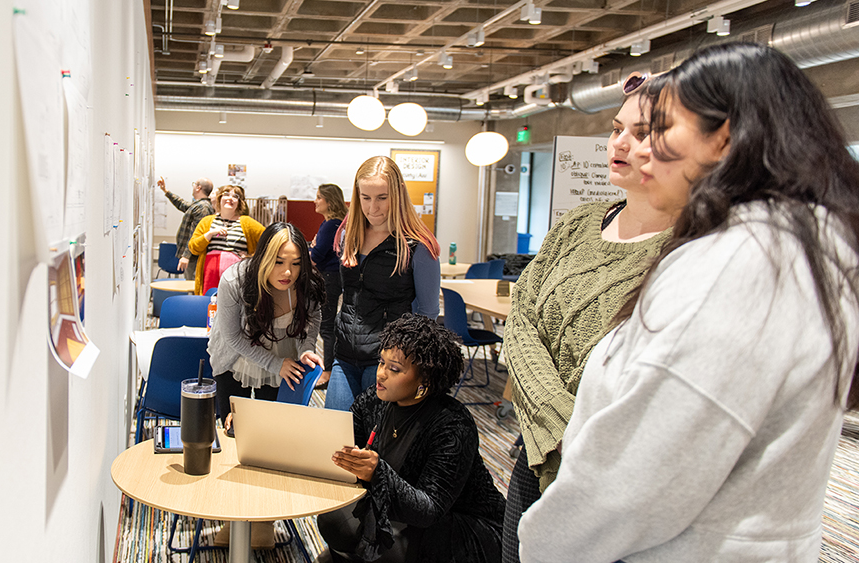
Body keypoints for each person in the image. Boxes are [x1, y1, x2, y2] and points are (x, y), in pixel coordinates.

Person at [518, 42, 859, 563]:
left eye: (661, 130)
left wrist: (544, 543)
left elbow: (634, 479)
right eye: (628, 131)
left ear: (723, 138)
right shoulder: (800, 244)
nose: (642, 150)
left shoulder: (742, 266)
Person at [501, 72, 675, 563]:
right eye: (617, 128)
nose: (620, 142)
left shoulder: (690, 249)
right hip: (539, 444)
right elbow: (521, 321)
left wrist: (573, 438)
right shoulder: (578, 224)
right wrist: (557, 426)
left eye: (641, 133)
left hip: (609, 468)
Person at [317, 313, 506, 562]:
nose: (381, 374)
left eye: (394, 369)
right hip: (404, 513)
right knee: (333, 520)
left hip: (462, 524)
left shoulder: (452, 424)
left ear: (424, 381)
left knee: (387, 546)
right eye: (381, 362)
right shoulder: (374, 401)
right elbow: (344, 446)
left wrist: (377, 473)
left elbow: (429, 509)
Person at [207, 222, 326, 548]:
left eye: (296, 263)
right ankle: (234, 516)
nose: (287, 272)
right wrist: (276, 363)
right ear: (263, 258)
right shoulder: (235, 279)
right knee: (237, 441)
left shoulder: (308, 285)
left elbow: (311, 327)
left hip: (283, 367)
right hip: (236, 364)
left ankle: (262, 521)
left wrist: (305, 351)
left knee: (273, 444)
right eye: (278, 262)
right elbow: (232, 337)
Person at [324, 156, 441, 411]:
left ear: (398, 195)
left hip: (387, 361)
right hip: (345, 355)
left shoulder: (417, 246)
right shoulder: (348, 234)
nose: (372, 208)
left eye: (382, 198)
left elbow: (428, 314)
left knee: (374, 444)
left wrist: (407, 363)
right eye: (365, 198)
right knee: (336, 436)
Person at [188, 184, 265, 295]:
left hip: (237, 274)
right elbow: (193, 248)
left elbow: (269, 240)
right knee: (209, 304)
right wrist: (210, 233)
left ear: (239, 203)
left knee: (235, 306)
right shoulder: (207, 221)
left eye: (235, 196)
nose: (230, 198)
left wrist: (252, 257)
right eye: (226, 194)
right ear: (219, 199)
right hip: (210, 274)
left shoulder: (247, 222)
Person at [310, 183, 348, 387]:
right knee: (328, 325)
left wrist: (312, 248)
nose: (315, 201)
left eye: (318, 197)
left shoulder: (331, 224)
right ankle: (329, 369)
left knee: (326, 327)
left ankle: (328, 372)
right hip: (333, 277)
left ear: (329, 201)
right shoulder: (338, 223)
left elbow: (316, 256)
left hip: (328, 278)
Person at [157, 176, 214, 280]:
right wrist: (165, 190)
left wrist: (186, 255)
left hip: (194, 257)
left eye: (194, 184)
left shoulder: (203, 208)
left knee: (192, 286)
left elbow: (195, 234)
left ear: (198, 188)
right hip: (192, 256)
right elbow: (181, 204)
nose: (193, 187)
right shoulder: (199, 205)